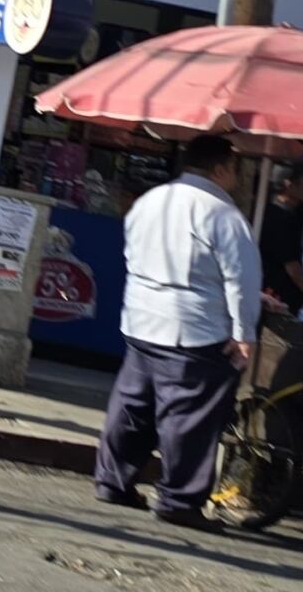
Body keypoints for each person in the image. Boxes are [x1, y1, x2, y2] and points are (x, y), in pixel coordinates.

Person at [95, 135, 261, 529]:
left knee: (133, 406)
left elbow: (132, 255)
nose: (235, 178)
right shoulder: (223, 214)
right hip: (194, 329)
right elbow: (241, 280)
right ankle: (179, 500)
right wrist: (244, 332)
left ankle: (112, 480)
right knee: (190, 418)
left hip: (142, 319)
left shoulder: (150, 201)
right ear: (221, 168)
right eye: (234, 169)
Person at [258, 169, 303, 315]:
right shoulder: (281, 219)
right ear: (289, 185)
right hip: (278, 295)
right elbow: (292, 266)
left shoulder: (267, 212)